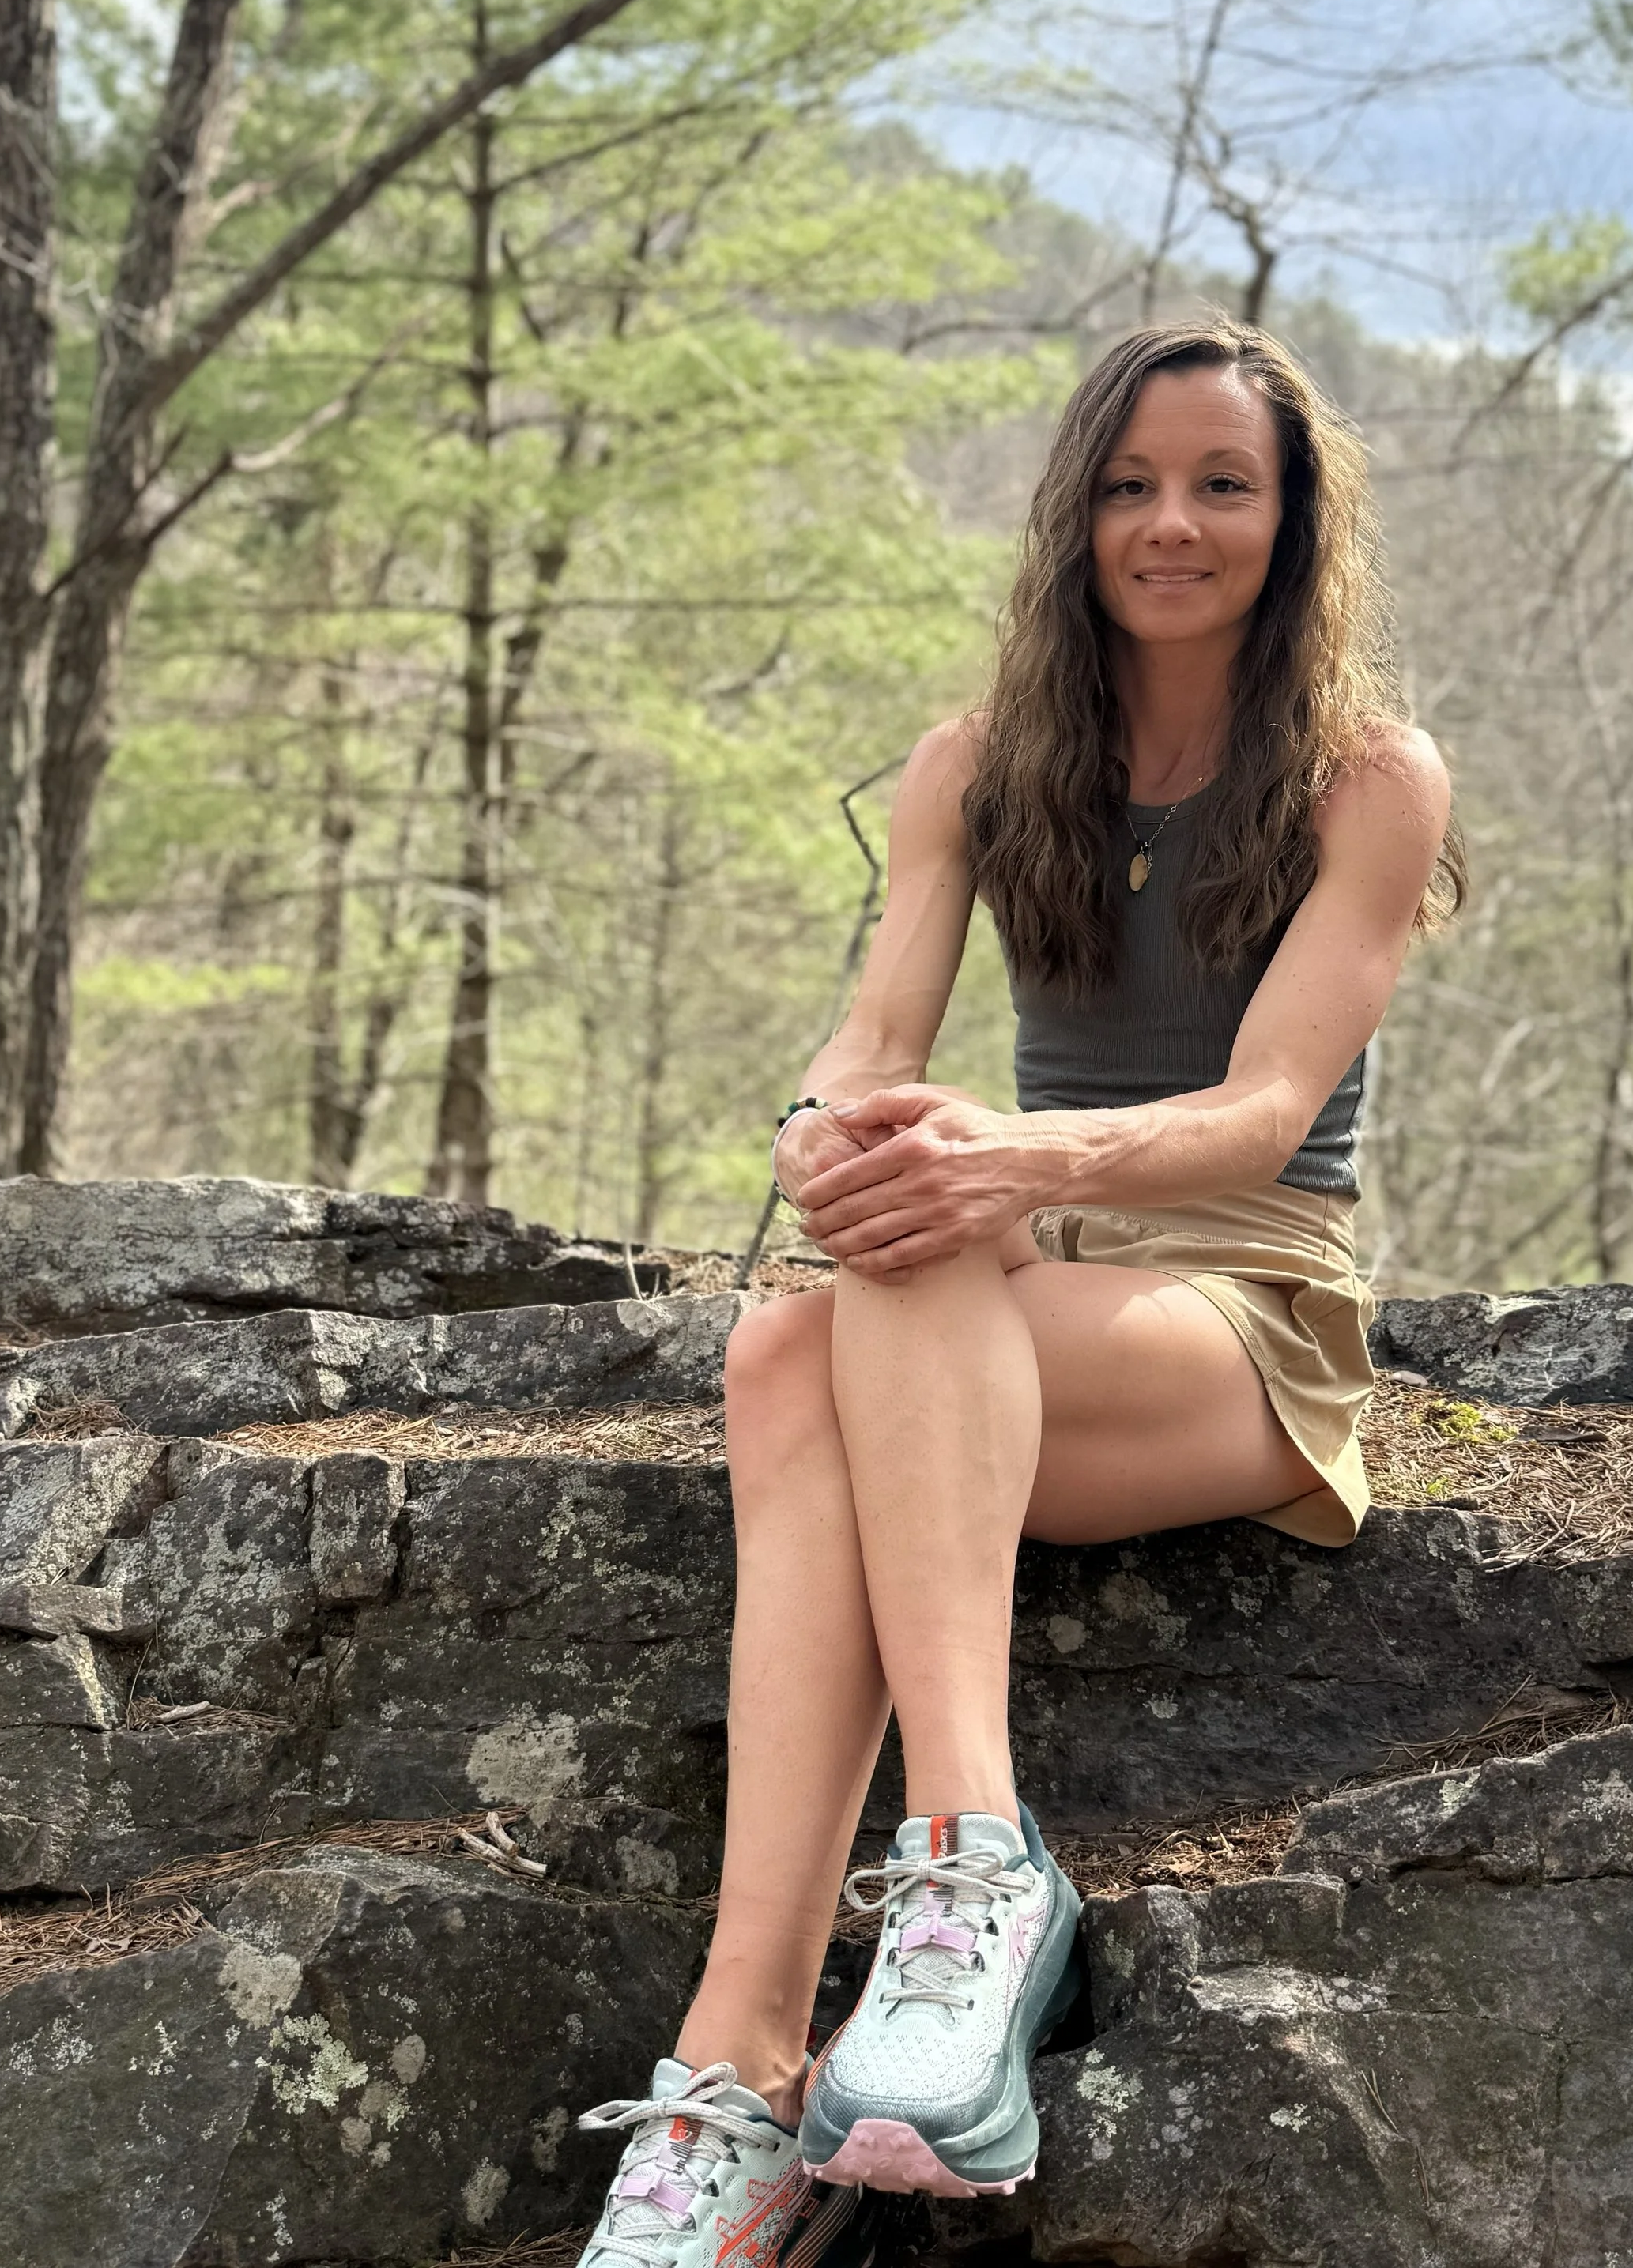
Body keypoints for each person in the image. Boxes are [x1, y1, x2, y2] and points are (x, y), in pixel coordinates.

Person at [571, 317, 1465, 2268]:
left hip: (1241, 1311)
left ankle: (976, 1861)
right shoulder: (973, 766)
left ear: (1290, 519)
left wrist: (1017, 1159)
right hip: (1015, 1291)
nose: (1173, 522)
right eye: (1134, 484)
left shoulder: (1364, 780)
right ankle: (741, 2055)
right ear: (1075, 514)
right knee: (787, 1327)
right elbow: (869, 1029)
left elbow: (1262, 1110)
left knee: (897, 1259)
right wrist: (827, 1126)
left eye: (1222, 484)